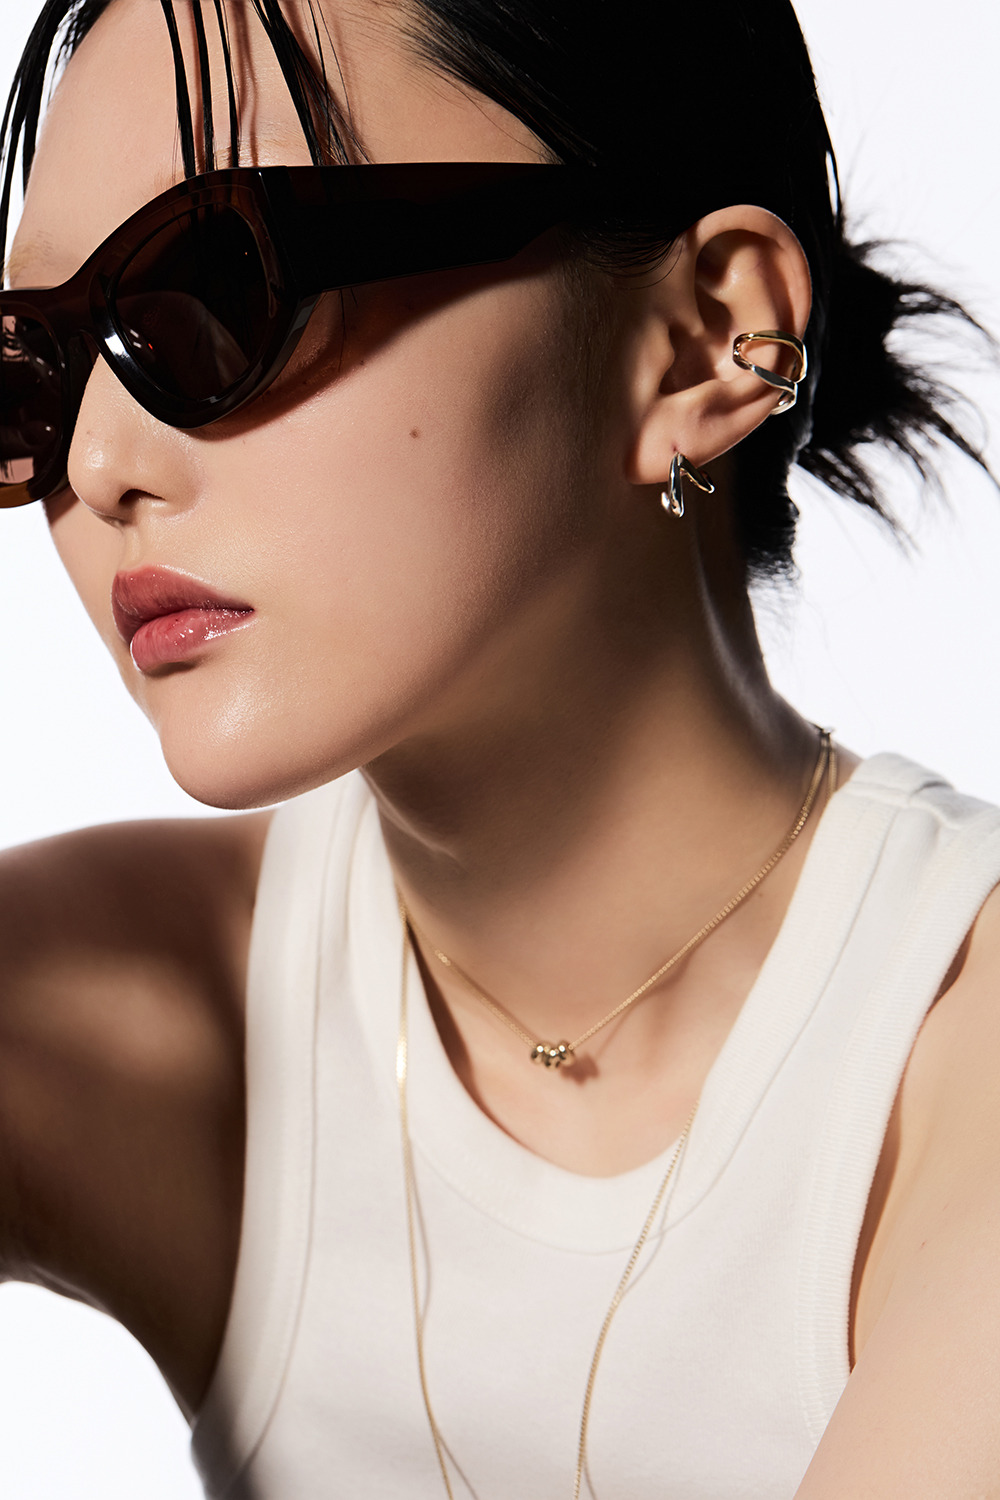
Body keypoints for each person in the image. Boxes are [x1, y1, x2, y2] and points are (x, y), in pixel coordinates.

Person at [1, 1, 999, 1496]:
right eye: (33, 362)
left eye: (218, 290)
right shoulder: (127, 1004)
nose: (97, 466)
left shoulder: (954, 1063)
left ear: (705, 342)